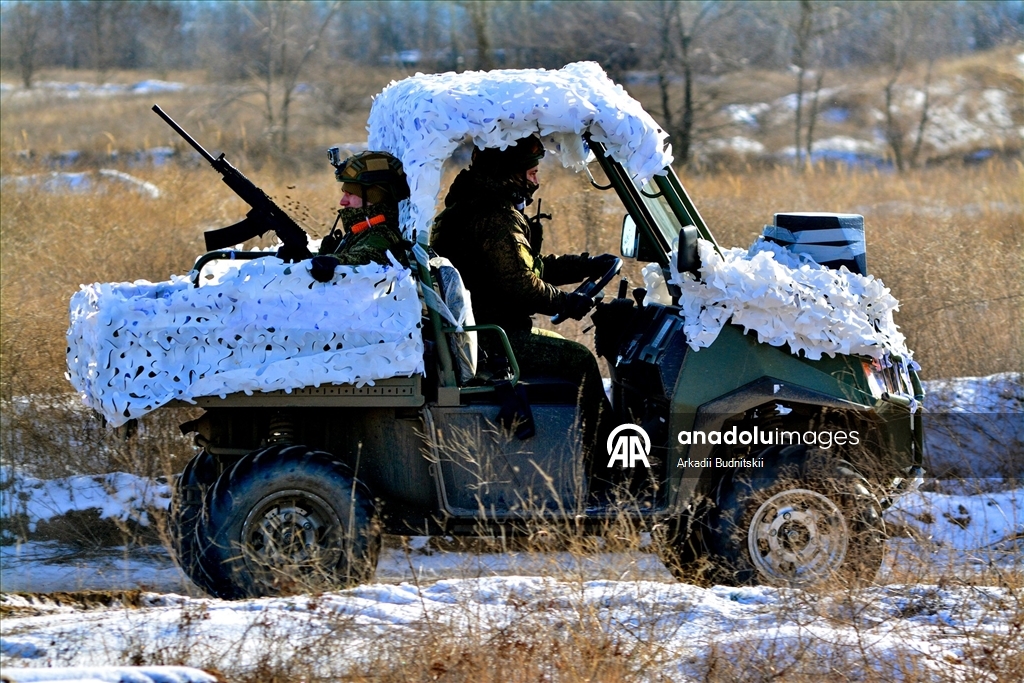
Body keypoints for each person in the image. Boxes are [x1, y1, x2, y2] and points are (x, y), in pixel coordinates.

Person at [430, 134, 617, 457]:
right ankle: (608, 464)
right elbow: (518, 283)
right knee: (582, 360)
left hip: (489, 331)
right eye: (532, 173)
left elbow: (531, 267)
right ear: (510, 172)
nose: (537, 180)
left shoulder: (473, 206)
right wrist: (566, 302)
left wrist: (586, 266)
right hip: (494, 340)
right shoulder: (494, 216)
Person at [309, 149, 411, 282]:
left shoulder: (381, 233)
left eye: (350, 194)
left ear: (373, 197)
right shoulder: (362, 231)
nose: (342, 202)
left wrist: (333, 260)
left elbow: (368, 257)